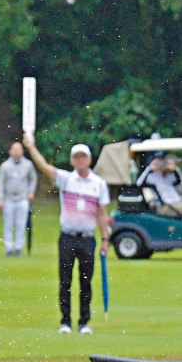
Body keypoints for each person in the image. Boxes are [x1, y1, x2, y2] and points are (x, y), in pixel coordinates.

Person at [24, 133, 110, 335]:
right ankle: (65, 321)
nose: (80, 160)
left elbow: (102, 213)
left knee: (85, 282)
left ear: (89, 160)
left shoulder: (98, 184)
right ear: (72, 160)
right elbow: (44, 167)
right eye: (76, 157)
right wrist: (31, 146)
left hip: (87, 237)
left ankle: (84, 322)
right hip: (67, 237)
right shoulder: (66, 179)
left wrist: (105, 238)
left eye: (83, 157)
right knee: (65, 281)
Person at [136, 154, 182, 244]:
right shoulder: (152, 177)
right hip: (164, 206)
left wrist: (174, 169)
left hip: (178, 203)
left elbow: (180, 182)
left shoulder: (169, 176)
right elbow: (139, 183)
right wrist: (149, 169)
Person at [0, 140, 38, 256]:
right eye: (14, 150)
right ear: (10, 151)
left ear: (22, 151)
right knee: (8, 224)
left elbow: (33, 178)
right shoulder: (5, 166)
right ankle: (9, 247)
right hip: (9, 199)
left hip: (22, 199)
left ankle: (19, 247)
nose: (16, 152)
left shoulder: (28, 164)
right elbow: (1, 182)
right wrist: (0, 198)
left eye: (19, 149)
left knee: (21, 224)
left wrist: (31, 192)